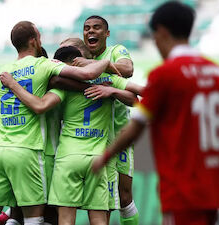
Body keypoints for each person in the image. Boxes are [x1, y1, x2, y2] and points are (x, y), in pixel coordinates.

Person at [92, 2, 219, 225]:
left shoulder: (164, 75)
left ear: (162, 32)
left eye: (155, 36)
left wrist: (105, 157)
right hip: (212, 191)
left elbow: (136, 128)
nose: (155, 42)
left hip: (179, 191)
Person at [0, 21, 116, 225]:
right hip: (36, 151)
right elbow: (49, 99)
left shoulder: (4, 71)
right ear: (34, 40)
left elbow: (1, 95)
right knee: (38, 218)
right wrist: (106, 70)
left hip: (0, 148)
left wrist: (13, 85)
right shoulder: (46, 72)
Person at [0, 45, 139, 225]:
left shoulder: (58, 87)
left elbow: (40, 105)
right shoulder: (106, 82)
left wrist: (12, 86)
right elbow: (137, 97)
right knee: (100, 216)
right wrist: (111, 90)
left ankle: (8, 217)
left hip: (63, 157)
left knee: (52, 215)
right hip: (97, 158)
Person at [73, 15, 139, 225]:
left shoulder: (116, 51)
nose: (91, 31)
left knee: (124, 196)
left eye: (97, 28)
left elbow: (127, 70)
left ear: (107, 33)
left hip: (118, 136)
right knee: (103, 202)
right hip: (88, 140)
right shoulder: (77, 57)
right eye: (87, 28)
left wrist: (97, 67)